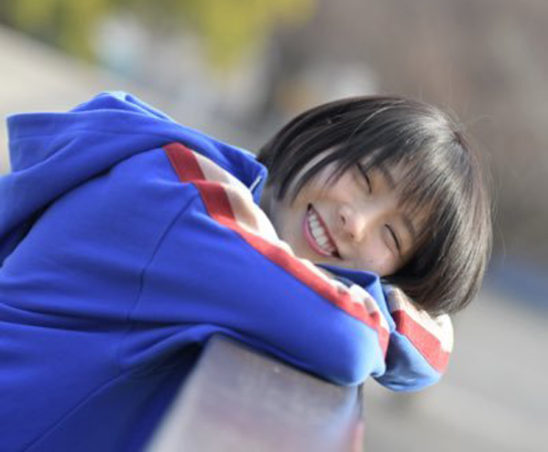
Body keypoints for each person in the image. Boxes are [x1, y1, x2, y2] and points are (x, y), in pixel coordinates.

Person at [0, 91, 491, 451]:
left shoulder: (229, 226)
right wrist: (381, 308)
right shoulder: (186, 205)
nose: (356, 222)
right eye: (363, 179)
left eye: (392, 237)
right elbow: (348, 337)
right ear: (323, 137)